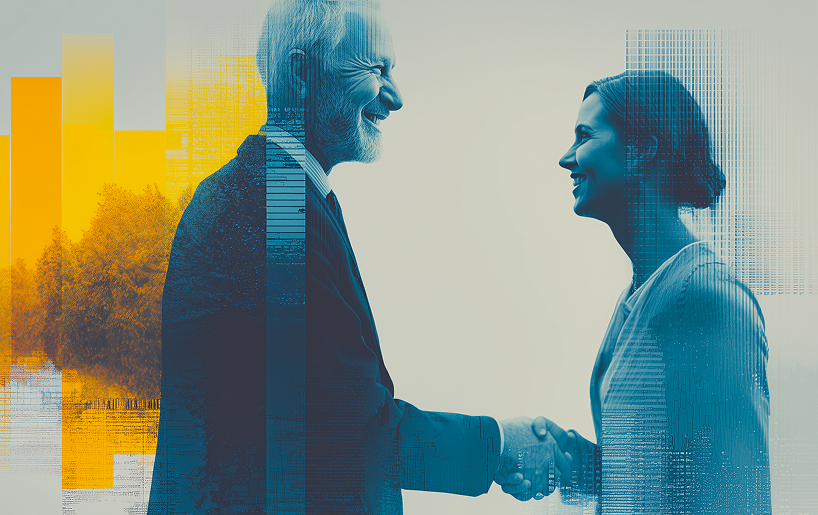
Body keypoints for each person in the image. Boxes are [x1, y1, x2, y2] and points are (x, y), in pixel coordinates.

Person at [148, 1, 569, 513]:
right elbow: (349, 434)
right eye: (377, 69)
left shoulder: (271, 193)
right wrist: (498, 447)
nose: (396, 97)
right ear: (302, 73)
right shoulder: (276, 207)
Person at [531, 70, 770, 513]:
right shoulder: (643, 294)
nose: (567, 159)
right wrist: (577, 464)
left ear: (643, 149)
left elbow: (734, 495)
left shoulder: (705, 297)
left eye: (583, 137)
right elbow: (671, 476)